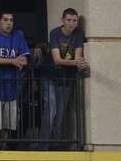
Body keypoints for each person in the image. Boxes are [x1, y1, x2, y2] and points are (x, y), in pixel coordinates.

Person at [40, 8, 89, 150]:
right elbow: (57, 59)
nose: (72, 23)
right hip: (50, 76)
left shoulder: (79, 33)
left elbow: (78, 56)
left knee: (60, 114)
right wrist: (77, 63)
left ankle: (55, 147)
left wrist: (79, 62)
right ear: (62, 21)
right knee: (51, 110)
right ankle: (44, 147)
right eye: (68, 20)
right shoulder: (55, 33)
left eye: (74, 21)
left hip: (67, 78)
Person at [0, 10, 30, 150]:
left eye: (11, 20)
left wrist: (11, 61)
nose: (9, 23)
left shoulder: (18, 36)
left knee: (7, 126)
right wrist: (13, 61)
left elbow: (25, 60)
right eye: (5, 20)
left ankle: (2, 150)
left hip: (12, 88)